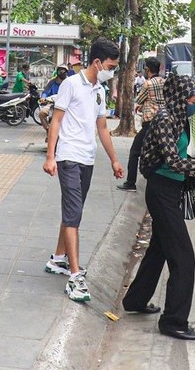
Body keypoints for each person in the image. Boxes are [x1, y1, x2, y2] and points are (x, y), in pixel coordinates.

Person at [121, 74, 195, 341]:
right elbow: (174, 162)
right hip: (160, 192)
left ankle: (135, 300)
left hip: (169, 191)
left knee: (159, 249)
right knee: (183, 258)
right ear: (180, 98)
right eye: (193, 99)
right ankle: (173, 321)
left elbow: (182, 156)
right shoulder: (164, 119)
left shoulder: (178, 117)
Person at [43, 37, 125, 302]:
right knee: (74, 213)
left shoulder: (99, 90)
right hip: (68, 156)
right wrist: (50, 157)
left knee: (72, 210)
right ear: (98, 62)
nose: (111, 71)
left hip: (87, 159)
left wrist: (113, 159)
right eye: (110, 66)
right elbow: (56, 121)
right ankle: (75, 277)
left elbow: (102, 128)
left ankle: (58, 259)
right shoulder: (70, 84)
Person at [117, 57, 164, 191]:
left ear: (147, 69)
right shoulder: (165, 82)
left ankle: (130, 182)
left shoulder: (147, 84)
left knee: (134, 152)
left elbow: (140, 100)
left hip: (150, 123)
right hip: (163, 123)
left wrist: (141, 106)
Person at [39, 63, 69, 132]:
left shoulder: (70, 82)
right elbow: (45, 92)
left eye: (64, 71)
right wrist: (43, 97)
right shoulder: (52, 82)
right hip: (52, 103)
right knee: (42, 113)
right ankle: (48, 129)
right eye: (60, 71)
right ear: (57, 72)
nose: (62, 73)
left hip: (66, 105)